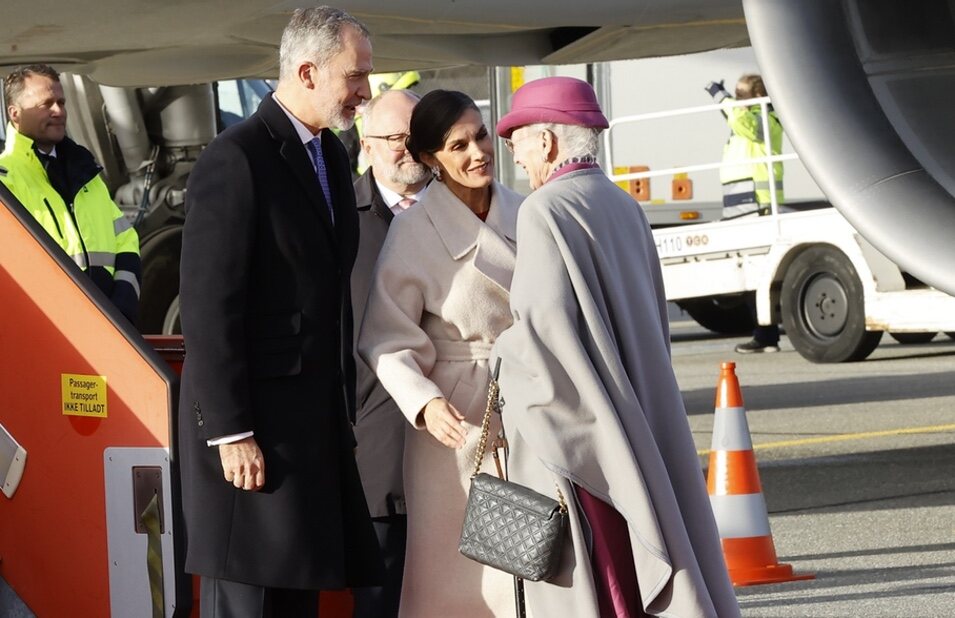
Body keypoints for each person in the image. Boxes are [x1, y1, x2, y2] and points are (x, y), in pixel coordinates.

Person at [493, 76, 740, 618]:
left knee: (600, 579)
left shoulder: (543, 211)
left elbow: (542, 332)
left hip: (589, 433)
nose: (512, 150)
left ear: (549, 143)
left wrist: (497, 353)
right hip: (640, 413)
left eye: (518, 138)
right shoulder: (623, 205)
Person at [177, 7, 382, 617]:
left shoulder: (332, 160)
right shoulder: (235, 158)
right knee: (250, 602)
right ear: (308, 71)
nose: (366, 91)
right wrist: (231, 431)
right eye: (356, 76)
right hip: (254, 439)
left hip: (311, 436)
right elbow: (210, 309)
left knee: (296, 602)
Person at [358, 89, 523, 617]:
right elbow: (385, 336)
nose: (477, 152)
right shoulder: (413, 230)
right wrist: (424, 402)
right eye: (458, 145)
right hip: (454, 428)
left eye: (480, 136)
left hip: (529, 408)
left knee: (534, 562)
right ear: (430, 159)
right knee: (460, 585)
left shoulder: (526, 213)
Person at [350, 88, 431, 618]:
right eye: (394, 138)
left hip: (463, 455)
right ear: (366, 143)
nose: (407, 149)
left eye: (417, 137)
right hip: (374, 458)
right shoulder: (336, 220)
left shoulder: (469, 212)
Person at [1, 64, 141, 324]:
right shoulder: (5, 183)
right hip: (46, 332)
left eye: (62, 102)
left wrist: (122, 304)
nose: (59, 111)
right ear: (15, 114)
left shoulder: (87, 175)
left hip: (109, 328)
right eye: (47, 104)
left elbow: (126, 240)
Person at [706, 73, 784, 353]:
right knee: (751, 273)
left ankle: (766, 337)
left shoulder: (765, 117)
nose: (736, 99)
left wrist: (721, 97)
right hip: (743, 204)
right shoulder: (751, 116)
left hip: (756, 202)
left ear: (756, 96)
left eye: (741, 94)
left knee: (756, 273)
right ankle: (765, 335)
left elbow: (742, 123)